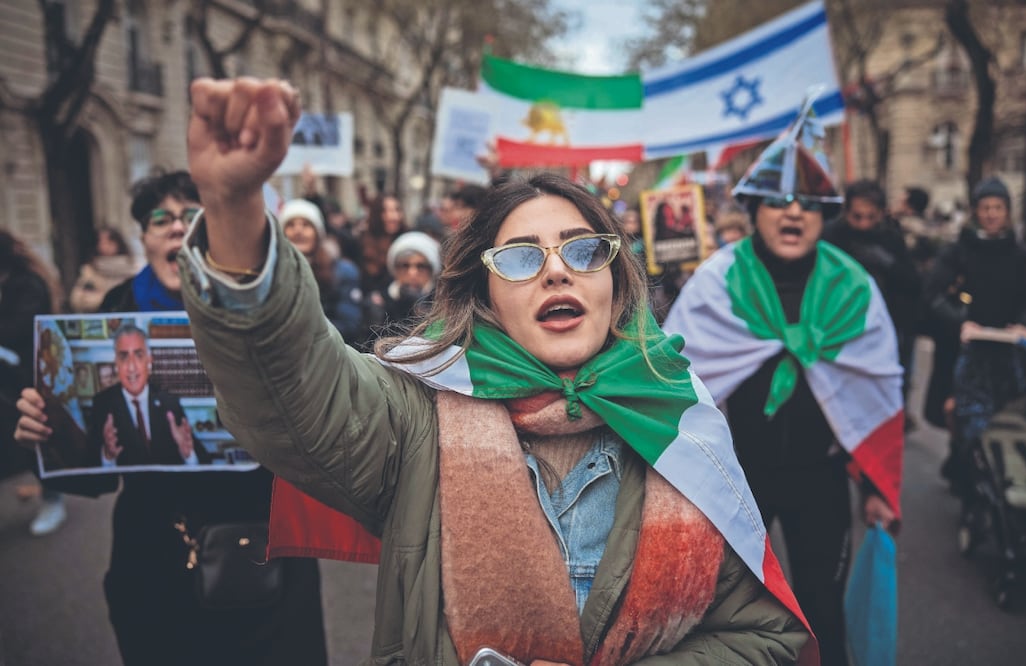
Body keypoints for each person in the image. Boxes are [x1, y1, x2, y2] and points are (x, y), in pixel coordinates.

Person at [179, 76, 813, 664]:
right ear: (485, 296)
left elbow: (765, 639)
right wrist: (235, 212)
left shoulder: (680, 418)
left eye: (585, 250)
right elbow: (293, 382)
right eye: (519, 258)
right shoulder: (417, 416)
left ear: (615, 285)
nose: (557, 270)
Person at [13, 170, 327, 665]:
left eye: (192, 216)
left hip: (258, 550)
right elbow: (94, 475)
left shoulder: (269, 312)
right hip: (154, 558)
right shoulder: (108, 319)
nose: (177, 227)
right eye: (162, 218)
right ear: (143, 236)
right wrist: (46, 435)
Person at [664, 98, 903, 666]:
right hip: (738, 480)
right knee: (728, 611)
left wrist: (876, 486)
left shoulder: (855, 287)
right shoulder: (716, 284)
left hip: (822, 480)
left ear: (825, 216)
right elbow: (670, 380)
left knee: (822, 604)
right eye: (777, 200)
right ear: (753, 210)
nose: (793, 212)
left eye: (809, 203)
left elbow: (880, 391)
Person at [922, 176, 1026, 487]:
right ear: (976, 211)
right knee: (957, 410)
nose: (992, 214)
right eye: (985, 207)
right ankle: (962, 462)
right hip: (962, 348)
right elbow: (933, 294)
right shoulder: (958, 251)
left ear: (1007, 212)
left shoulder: (1020, 255)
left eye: (998, 207)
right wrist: (959, 322)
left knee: (1001, 413)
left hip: (1006, 349)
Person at [824, 179, 921, 423]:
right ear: (847, 212)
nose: (864, 224)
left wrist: (886, 263)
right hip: (841, 327)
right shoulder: (831, 236)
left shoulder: (891, 237)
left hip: (888, 326)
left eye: (871, 217)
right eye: (857, 217)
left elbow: (912, 282)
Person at [0, 229, 67, 536]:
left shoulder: (27, 283)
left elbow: (17, 330)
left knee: (34, 441)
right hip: (8, 376)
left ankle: (53, 497)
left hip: (27, 375)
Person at [85, 325, 210, 468]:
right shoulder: (102, 404)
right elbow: (88, 467)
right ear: (116, 364)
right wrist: (107, 456)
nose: (131, 367)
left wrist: (187, 455)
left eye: (138, 355)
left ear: (149, 361)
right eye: (124, 357)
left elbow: (204, 462)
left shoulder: (169, 403)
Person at [278, 198, 366, 343]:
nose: (298, 231)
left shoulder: (343, 271)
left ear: (318, 233)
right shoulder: (273, 274)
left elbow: (349, 324)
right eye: (291, 225)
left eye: (306, 225)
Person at [363, 231, 441, 348]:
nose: (412, 273)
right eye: (405, 265)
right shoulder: (380, 299)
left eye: (421, 266)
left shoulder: (440, 302)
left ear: (431, 270)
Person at [69, 227, 139, 313]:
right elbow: (78, 300)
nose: (103, 245)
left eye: (109, 241)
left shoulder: (133, 270)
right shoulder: (90, 271)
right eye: (100, 241)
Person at [357, 193, 405, 294]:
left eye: (397, 210)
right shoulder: (363, 243)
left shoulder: (405, 241)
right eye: (387, 211)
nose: (394, 216)